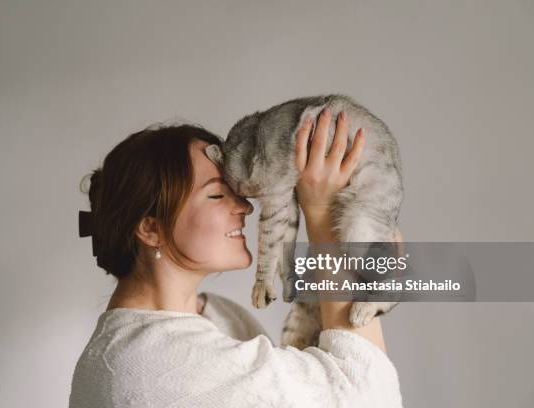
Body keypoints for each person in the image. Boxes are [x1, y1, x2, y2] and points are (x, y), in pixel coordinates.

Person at [69, 109, 403, 407]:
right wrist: (324, 216)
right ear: (150, 228)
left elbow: (311, 388)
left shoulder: (216, 314)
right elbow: (370, 397)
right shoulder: (157, 364)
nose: (245, 207)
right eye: (216, 194)